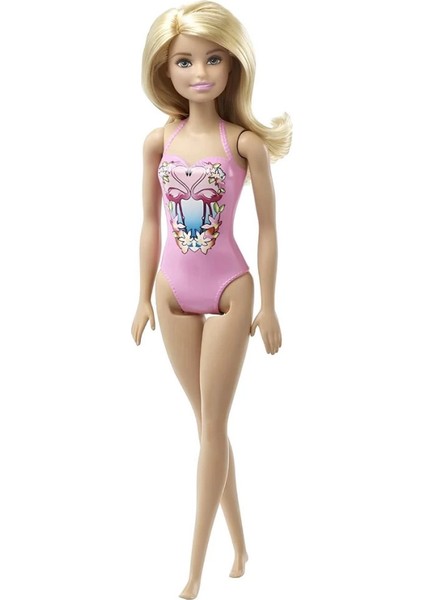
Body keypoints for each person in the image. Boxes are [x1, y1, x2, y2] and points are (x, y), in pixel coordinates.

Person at [131, 2, 292, 597]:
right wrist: (141, 296)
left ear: (233, 65)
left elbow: (269, 229)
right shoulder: (159, 141)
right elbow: (150, 223)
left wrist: (269, 304)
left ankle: (195, 570)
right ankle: (241, 547)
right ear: (164, 68)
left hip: (229, 289)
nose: (200, 72)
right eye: (185, 61)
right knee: (207, 428)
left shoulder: (244, 144)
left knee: (213, 427)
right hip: (172, 289)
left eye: (213, 59)